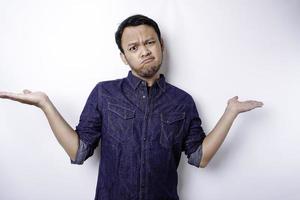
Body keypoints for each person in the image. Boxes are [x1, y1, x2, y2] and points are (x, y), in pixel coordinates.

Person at [0, 14, 263, 200]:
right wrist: (46, 105)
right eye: (133, 47)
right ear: (124, 57)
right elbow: (79, 152)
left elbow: (200, 157)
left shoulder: (182, 101)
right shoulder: (104, 93)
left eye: (150, 42)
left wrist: (230, 113)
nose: (144, 51)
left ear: (161, 46)